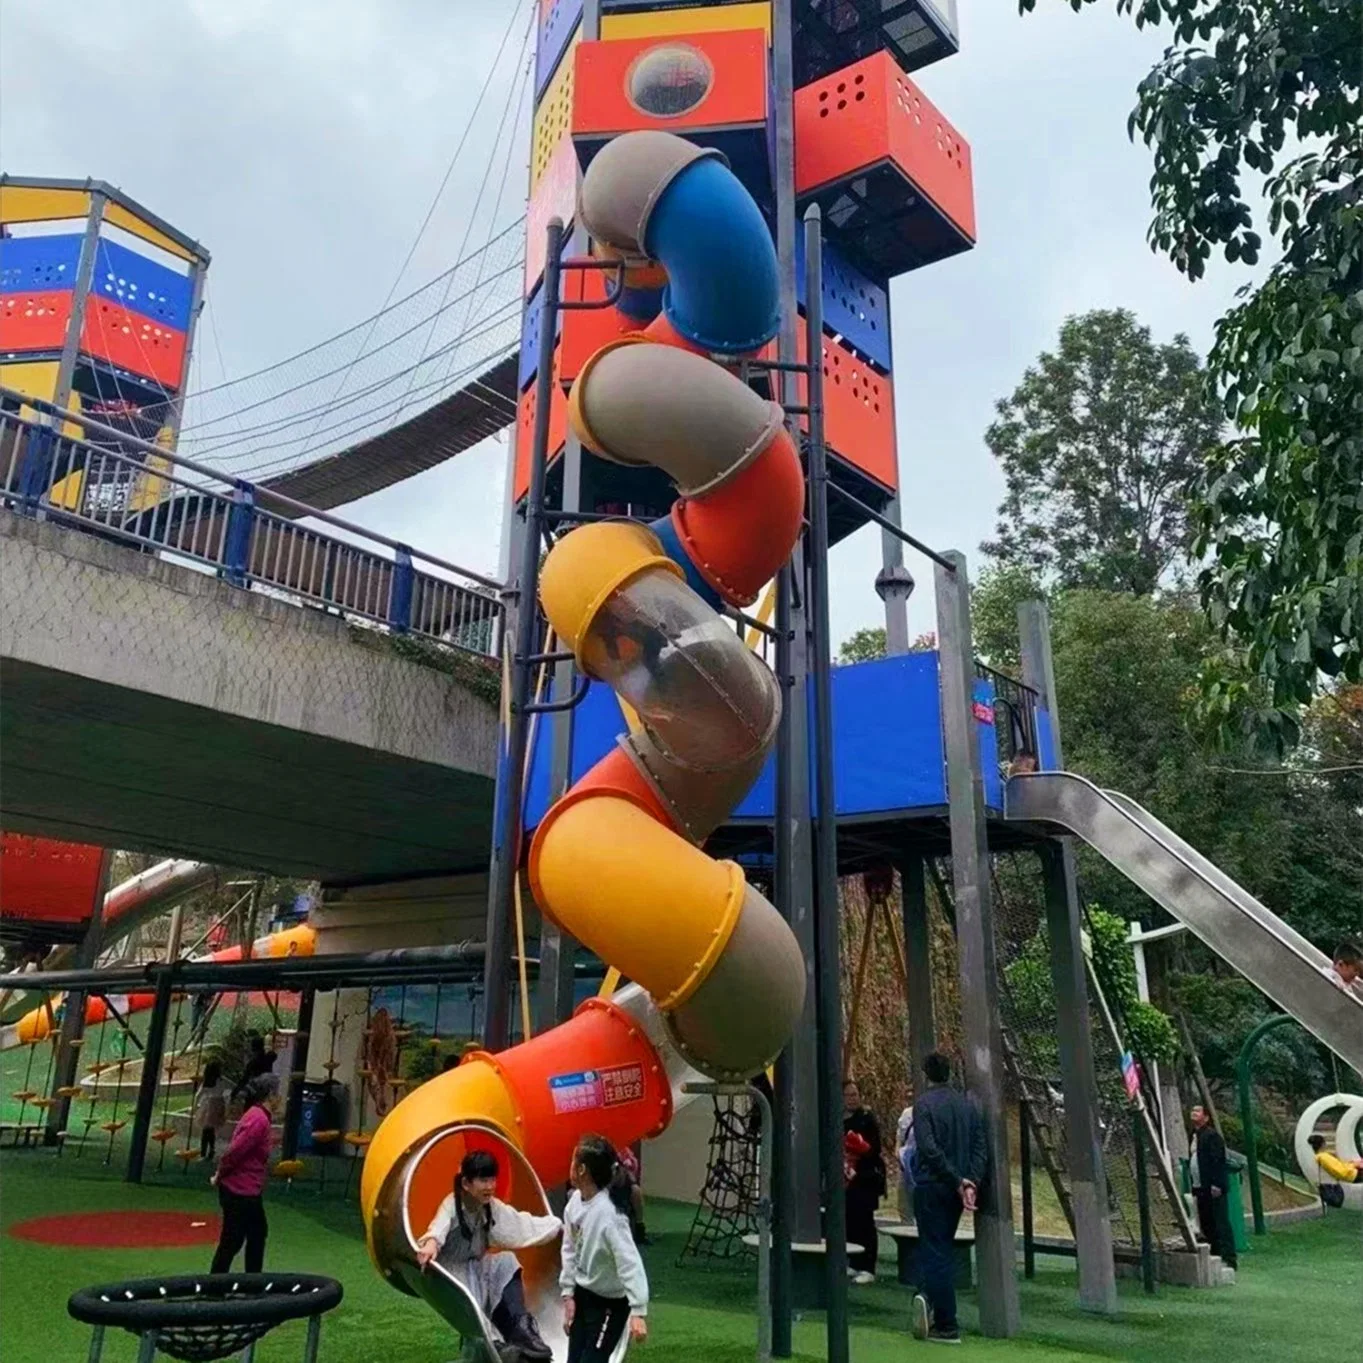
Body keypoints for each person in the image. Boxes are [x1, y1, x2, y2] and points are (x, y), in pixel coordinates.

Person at [416, 1149, 558, 1360]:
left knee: (506, 1261)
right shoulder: (452, 1205)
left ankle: (521, 1330)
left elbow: (521, 1224)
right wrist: (431, 1244)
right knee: (475, 1314)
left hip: (475, 1268)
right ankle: (498, 1348)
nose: (490, 1186)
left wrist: (557, 1226)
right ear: (466, 1183)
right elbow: (438, 1227)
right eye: (483, 1180)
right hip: (452, 1276)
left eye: (492, 1179)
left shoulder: (490, 1207)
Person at [908, 1052, 987, 1346]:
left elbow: (928, 1149)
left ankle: (946, 1322)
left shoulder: (924, 1105)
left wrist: (955, 1179)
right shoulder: (967, 1107)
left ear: (926, 1074)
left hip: (934, 1184)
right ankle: (926, 1297)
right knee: (941, 1247)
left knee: (934, 1252)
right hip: (958, 1187)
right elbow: (980, 1147)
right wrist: (970, 1181)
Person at [560, 1134, 649, 1362]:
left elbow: (629, 1262)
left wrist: (638, 1310)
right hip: (584, 1296)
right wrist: (568, 1294)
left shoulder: (610, 1216)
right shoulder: (574, 1204)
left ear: (581, 1170)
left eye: (572, 1161)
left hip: (610, 1305)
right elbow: (569, 1249)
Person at [209, 1076, 276, 1273]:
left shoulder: (258, 1117)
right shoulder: (258, 1119)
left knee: (255, 1232)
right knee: (235, 1238)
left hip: (246, 1188)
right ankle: (218, 1285)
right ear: (270, 1096)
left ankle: (250, 1282)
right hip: (239, 1189)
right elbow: (235, 1151)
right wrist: (220, 1174)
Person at [842, 1078, 886, 1285]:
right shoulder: (837, 1120)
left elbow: (874, 1150)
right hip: (845, 1180)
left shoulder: (867, 1119)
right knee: (849, 1220)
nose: (852, 1099)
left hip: (865, 1179)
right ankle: (852, 1261)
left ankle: (868, 1266)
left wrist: (860, 1147)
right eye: (848, 1095)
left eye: (855, 1095)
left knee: (865, 1222)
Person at [1189, 1105, 1238, 1273]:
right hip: (1199, 1186)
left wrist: (1217, 1184)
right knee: (1207, 1221)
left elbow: (1218, 1161)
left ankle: (1229, 1258)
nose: (1193, 1113)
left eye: (1197, 1111)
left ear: (1206, 1117)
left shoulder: (1212, 1136)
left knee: (1220, 1221)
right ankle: (1215, 1254)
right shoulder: (1195, 1136)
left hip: (1212, 1187)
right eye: (1192, 1111)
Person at [195, 1058, 228, 1161]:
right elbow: (231, 1087)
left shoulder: (207, 1082)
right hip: (219, 1104)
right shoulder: (221, 1080)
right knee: (211, 1130)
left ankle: (204, 1153)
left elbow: (198, 1095)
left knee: (206, 1130)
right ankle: (210, 1151)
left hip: (209, 1105)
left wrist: (195, 1105)